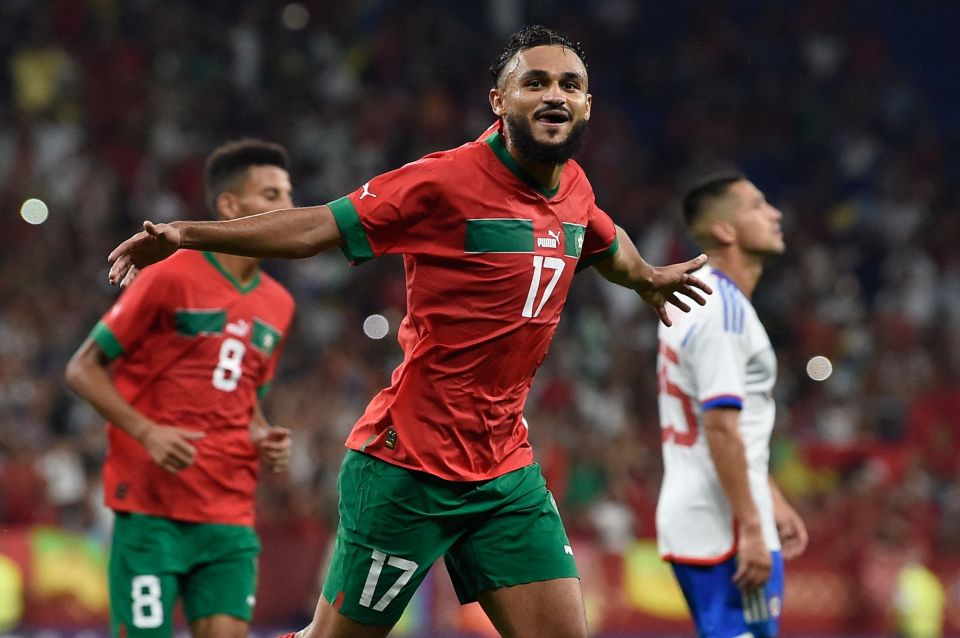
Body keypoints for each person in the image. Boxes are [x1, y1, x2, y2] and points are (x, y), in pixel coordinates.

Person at [106, 25, 712, 638]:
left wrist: (646, 278)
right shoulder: (443, 182)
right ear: (499, 102)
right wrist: (190, 234)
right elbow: (318, 227)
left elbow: (602, 240)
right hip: (409, 468)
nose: (555, 94)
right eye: (535, 82)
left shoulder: (573, 185)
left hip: (504, 471)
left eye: (570, 85)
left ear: (586, 105)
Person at [66, 139, 297, 638]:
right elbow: (82, 368)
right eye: (271, 193)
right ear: (230, 206)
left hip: (229, 514)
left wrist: (261, 434)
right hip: (152, 510)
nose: (289, 208)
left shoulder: (279, 303)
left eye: (289, 194)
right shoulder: (170, 275)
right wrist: (147, 432)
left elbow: (246, 398)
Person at [654, 173, 809, 637]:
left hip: (714, 514)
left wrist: (771, 498)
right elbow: (720, 428)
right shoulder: (721, 310)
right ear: (725, 230)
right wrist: (752, 527)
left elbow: (731, 428)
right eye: (758, 205)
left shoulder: (700, 298)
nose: (775, 213)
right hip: (722, 527)